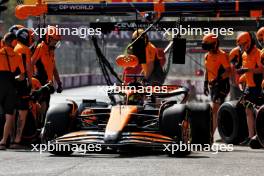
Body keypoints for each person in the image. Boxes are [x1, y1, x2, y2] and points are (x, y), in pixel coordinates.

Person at [236, 32, 264, 145]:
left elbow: (261, 70)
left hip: (257, 86)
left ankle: (259, 136)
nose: (242, 48)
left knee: (258, 110)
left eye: (242, 45)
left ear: (248, 43)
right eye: (240, 46)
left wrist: (247, 70)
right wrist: (242, 74)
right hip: (249, 86)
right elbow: (246, 71)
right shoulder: (243, 55)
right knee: (248, 109)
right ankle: (250, 136)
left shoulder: (258, 53)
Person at [202, 33, 231, 138]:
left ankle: (210, 136)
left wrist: (217, 79)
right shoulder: (207, 56)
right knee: (217, 111)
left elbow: (228, 71)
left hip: (222, 85)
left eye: (209, 46)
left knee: (214, 109)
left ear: (214, 44)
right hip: (212, 87)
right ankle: (225, 131)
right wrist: (205, 84)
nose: (207, 49)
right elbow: (207, 70)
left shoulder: (222, 55)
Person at [10, 28, 35, 148]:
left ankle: (10, 139)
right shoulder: (25, 50)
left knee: (12, 113)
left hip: (11, 83)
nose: (32, 40)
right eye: (31, 37)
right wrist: (30, 83)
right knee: (22, 113)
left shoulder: (15, 47)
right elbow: (28, 69)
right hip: (22, 84)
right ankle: (17, 140)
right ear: (26, 37)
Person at [0, 33, 25, 150]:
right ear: (14, 42)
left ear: (4, 42)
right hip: (11, 87)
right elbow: (21, 76)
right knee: (9, 114)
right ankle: (4, 142)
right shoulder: (17, 55)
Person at [31, 25, 63, 116]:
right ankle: (37, 126)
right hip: (39, 82)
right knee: (41, 106)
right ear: (48, 38)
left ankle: (40, 126)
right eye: (55, 40)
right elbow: (31, 63)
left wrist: (59, 83)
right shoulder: (40, 47)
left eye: (57, 41)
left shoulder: (51, 51)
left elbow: (54, 68)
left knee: (46, 107)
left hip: (48, 84)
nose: (56, 43)